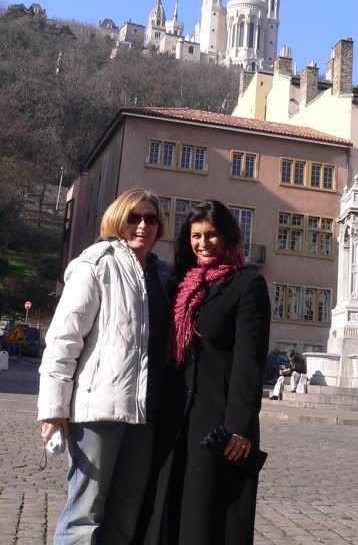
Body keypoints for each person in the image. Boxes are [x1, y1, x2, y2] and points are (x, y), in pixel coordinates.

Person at [37, 188, 170, 545]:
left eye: (151, 218)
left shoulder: (161, 275)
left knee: (125, 514)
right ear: (118, 219)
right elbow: (64, 340)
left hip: (143, 414)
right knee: (85, 514)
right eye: (134, 217)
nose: (143, 225)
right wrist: (53, 409)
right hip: (98, 411)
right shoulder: (96, 263)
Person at [139, 199, 271, 545]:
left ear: (227, 237)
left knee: (207, 514)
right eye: (196, 236)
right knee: (167, 507)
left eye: (211, 235)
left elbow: (250, 360)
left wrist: (240, 427)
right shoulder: (183, 284)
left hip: (218, 418)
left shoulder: (247, 286)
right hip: (175, 415)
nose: (203, 243)